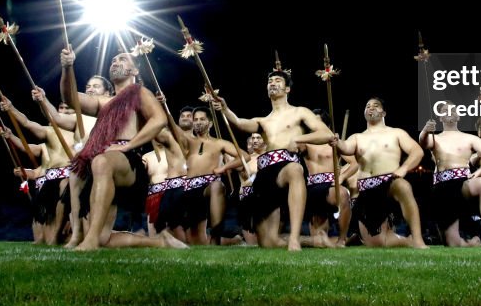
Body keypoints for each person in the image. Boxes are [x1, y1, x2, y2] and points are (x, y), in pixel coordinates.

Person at [212, 67, 333, 251]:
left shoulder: (300, 112)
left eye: (277, 81)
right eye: (270, 81)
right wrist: (225, 108)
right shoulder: (263, 121)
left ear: (287, 89)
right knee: (268, 243)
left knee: (294, 169)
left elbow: (326, 134)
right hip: (265, 172)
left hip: (287, 164)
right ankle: (314, 241)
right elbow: (238, 122)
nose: (272, 83)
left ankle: (294, 239)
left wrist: (298, 139)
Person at [68, 51, 168, 250]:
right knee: (105, 239)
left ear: (134, 69)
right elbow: (69, 97)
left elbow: (159, 119)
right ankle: (159, 242)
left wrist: (130, 145)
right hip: (102, 165)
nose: (115, 62)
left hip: (127, 161)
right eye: (113, 60)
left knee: (101, 161)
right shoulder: (104, 102)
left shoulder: (139, 92)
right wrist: (66, 68)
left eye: (122, 59)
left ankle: (89, 242)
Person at [333, 98, 428, 248]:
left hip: (389, 184)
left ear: (383, 112)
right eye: (367, 106)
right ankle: (403, 240)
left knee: (402, 185)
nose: (371, 108)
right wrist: (337, 142)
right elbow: (345, 148)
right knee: (377, 243)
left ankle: (417, 239)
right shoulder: (357, 137)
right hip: (366, 192)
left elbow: (417, 151)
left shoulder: (396, 133)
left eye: (375, 106)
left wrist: (403, 168)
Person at [418, 102, 481, 247]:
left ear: (459, 116)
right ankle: (473, 242)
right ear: (439, 117)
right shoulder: (435, 138)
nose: (449, 112)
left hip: (463, 183)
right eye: (444, 110)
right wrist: (425, 130)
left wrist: (478, 172)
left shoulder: (470, 138)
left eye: (452, 109)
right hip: (441, 188)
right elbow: (424, 143)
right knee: (452, 244)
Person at [0, 96, 76, 245]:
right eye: (61, 108)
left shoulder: (79, 133)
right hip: (48, 179)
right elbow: (27, 125)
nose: (64, 111)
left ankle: (62, 236)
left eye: (68, 109)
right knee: (41, 231)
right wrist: (12, 110)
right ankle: (51, 238)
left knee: (61, 221)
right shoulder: (49, 132)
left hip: (67, 177)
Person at [172, 107, 242, 244]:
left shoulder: (219, 143)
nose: (198, 122)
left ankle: (216, 237)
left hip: (208, 187)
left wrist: (224, 168)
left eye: (202, 119)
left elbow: (244, 157)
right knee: (193, 240)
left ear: (210, 123)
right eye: (195, 120)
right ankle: (233, 240)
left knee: (217, 186)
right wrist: (163, 103)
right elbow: (171, 127)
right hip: (188, 189)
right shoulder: (187, 141)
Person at [300, 109, 355, 247]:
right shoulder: (307, 142)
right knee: (318, 238)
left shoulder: (334, 144)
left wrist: (342, 177)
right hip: (313, 188)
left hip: (331, 186)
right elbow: (292, 145)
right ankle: (315, 241)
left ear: (326, 125)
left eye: (317, 121)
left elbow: (355, 163)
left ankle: (342, 239)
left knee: (343, 194)